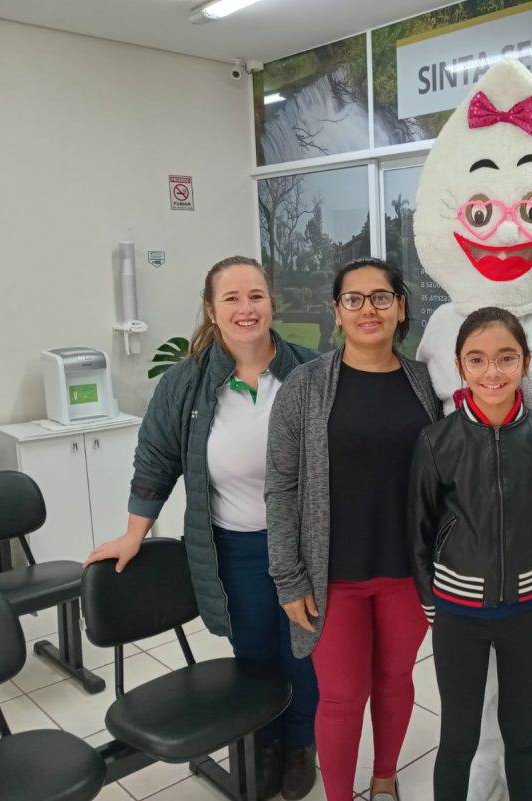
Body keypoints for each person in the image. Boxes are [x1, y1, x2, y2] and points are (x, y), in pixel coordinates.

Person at [85, 255, 320, 800]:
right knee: (254, 651)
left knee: (305, 650)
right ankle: (264, 741)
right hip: (233, 548)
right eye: (231, 298)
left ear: (271, 303)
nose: (246, 308)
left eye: (255, 295)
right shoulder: (186, 384)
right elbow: (156, 458)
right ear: (212, 310)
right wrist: (134, 532)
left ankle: (300, 743)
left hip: (305, 546)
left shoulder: (310, 373)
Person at [266, 258, 442, 801]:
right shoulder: (304, 387)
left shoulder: (427, 384)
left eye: (381, 297)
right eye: (354, 299)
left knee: (395, 680)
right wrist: (288, 577)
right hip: (331, 576)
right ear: (337, 312)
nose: (369, 309)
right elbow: (281, 486)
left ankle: (385, 777)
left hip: (407, 570)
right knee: (342, 696)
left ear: (401, 307)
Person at [408, 306, 532, 801]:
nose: (492, 372)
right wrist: (432, 602)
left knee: (523, 734)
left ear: (526, 362)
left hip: (526, 611)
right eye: (476, 359)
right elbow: (419, 530)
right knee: (458, 738)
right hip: (458, 612)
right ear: (460, 366)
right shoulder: (437, 441)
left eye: (506, 357)